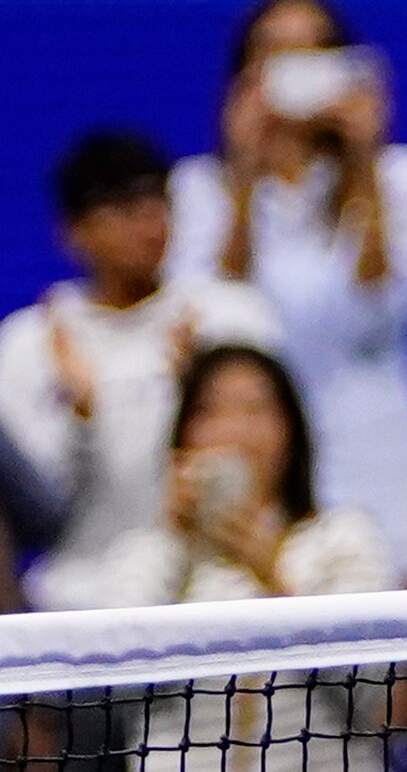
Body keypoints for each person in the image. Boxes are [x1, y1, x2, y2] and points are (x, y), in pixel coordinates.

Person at [98, 345, 407, 772]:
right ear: (183, 438)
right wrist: (179, 544)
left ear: (292, 430)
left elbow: (374, 693)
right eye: (213, 412)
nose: (236, 430)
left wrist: (273, 576)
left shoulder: (343, 540)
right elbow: (114, 684)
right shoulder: (145, 557)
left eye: (257, 410)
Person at [169, 0, 407, 579]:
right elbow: (218, 321)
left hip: (379, 466)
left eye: (313, 53)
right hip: (257, 476)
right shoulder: (200, 188)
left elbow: (383, 312)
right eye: (274, 55)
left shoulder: (406, 180)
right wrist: (243, 175)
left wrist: (363, 161)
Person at [0, 131, 278, 612]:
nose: (149, 224)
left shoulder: (231, 316)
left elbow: (278, 467)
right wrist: (81, 417)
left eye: (158, 203)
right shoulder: (26, 344)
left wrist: (199, 400)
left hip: (210, 597)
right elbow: (41, 520)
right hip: (75, 607)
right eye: (124, 209)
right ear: (74, 230)